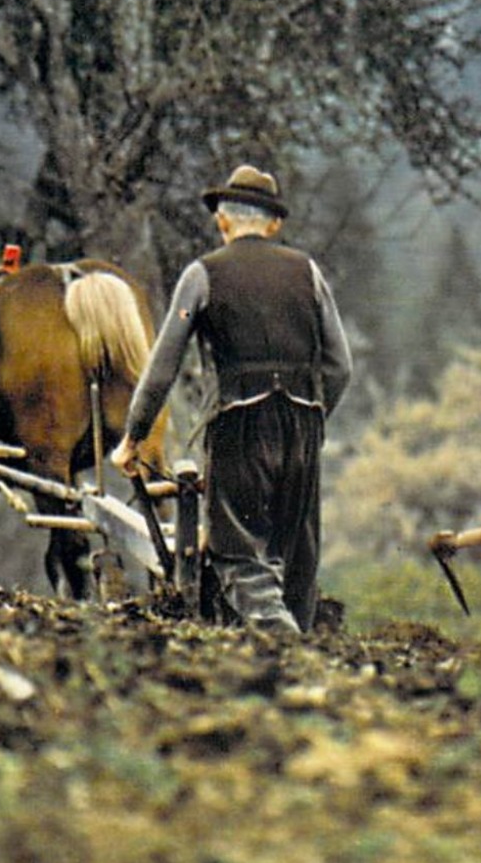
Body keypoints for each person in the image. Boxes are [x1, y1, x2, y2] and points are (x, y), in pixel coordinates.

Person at [110, 165, 352, 635]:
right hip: (303, 426)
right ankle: (300, 645)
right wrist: (314, 418)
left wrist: (133, 438)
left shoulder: (203, 274)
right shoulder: (309, 272)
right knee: (298, 549)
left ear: (222, 222)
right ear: (274, 224)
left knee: (236, 546)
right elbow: (340, 367)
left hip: (239, 425)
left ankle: (281, 638)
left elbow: (162, 368)